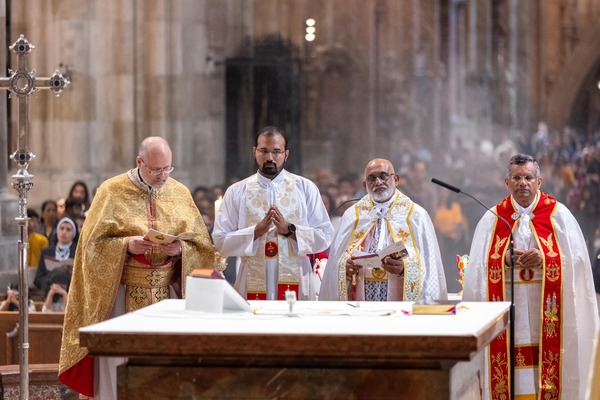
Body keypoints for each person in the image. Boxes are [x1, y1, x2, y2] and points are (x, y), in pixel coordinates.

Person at [59, 136, 214, 399]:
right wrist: (125, 245)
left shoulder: (180, 193)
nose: (163, 176)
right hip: (120, 299)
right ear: (139, 162)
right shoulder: (111, 191)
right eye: (156, 169)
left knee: (163, 371)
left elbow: (203, 247)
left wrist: (181, 250)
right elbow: (90, 246)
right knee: (120, 366)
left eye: (168, 168)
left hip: (168, 299)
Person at [463, 153, 599, 400]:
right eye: (516, 177)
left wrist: (545, 258)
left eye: (528, 177)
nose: (522, 182)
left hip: (545, 312)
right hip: (509, 314)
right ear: (507, 182)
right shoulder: (492, 218)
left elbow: (578, 264)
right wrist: (503, 259)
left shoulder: (560, 216)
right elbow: (477, 268)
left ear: (539, 181)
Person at [213, 126, 334, 301]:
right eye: (264, 151)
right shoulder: (237, 191)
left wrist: (290, 230)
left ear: (286, 154)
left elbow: (325, 236)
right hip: (251, 278)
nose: (270, 157)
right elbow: (220, 241)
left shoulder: (305, 188)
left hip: (297, 277)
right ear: (254, 151)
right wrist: (255, 232)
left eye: (276, 151)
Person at [319, 158, 448, 302]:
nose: (378, 182)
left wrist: (404, 269)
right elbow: (335, 265)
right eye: (371, 178)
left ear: (396, 179)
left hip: (399, 302)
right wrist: (346, 268)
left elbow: (431, 269)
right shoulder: (352, 215)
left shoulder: (417, 216)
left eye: (383, 176)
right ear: (364, 185)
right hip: (362, 299)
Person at [34, 217, 78, 290]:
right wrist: (50, 283)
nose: (64, 232)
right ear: (57, 231)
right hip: (50, 292)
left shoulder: (78, 253)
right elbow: (38, 279)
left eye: (68, 229)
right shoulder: (46, 252)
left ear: (74, 234)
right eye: (62, 228)